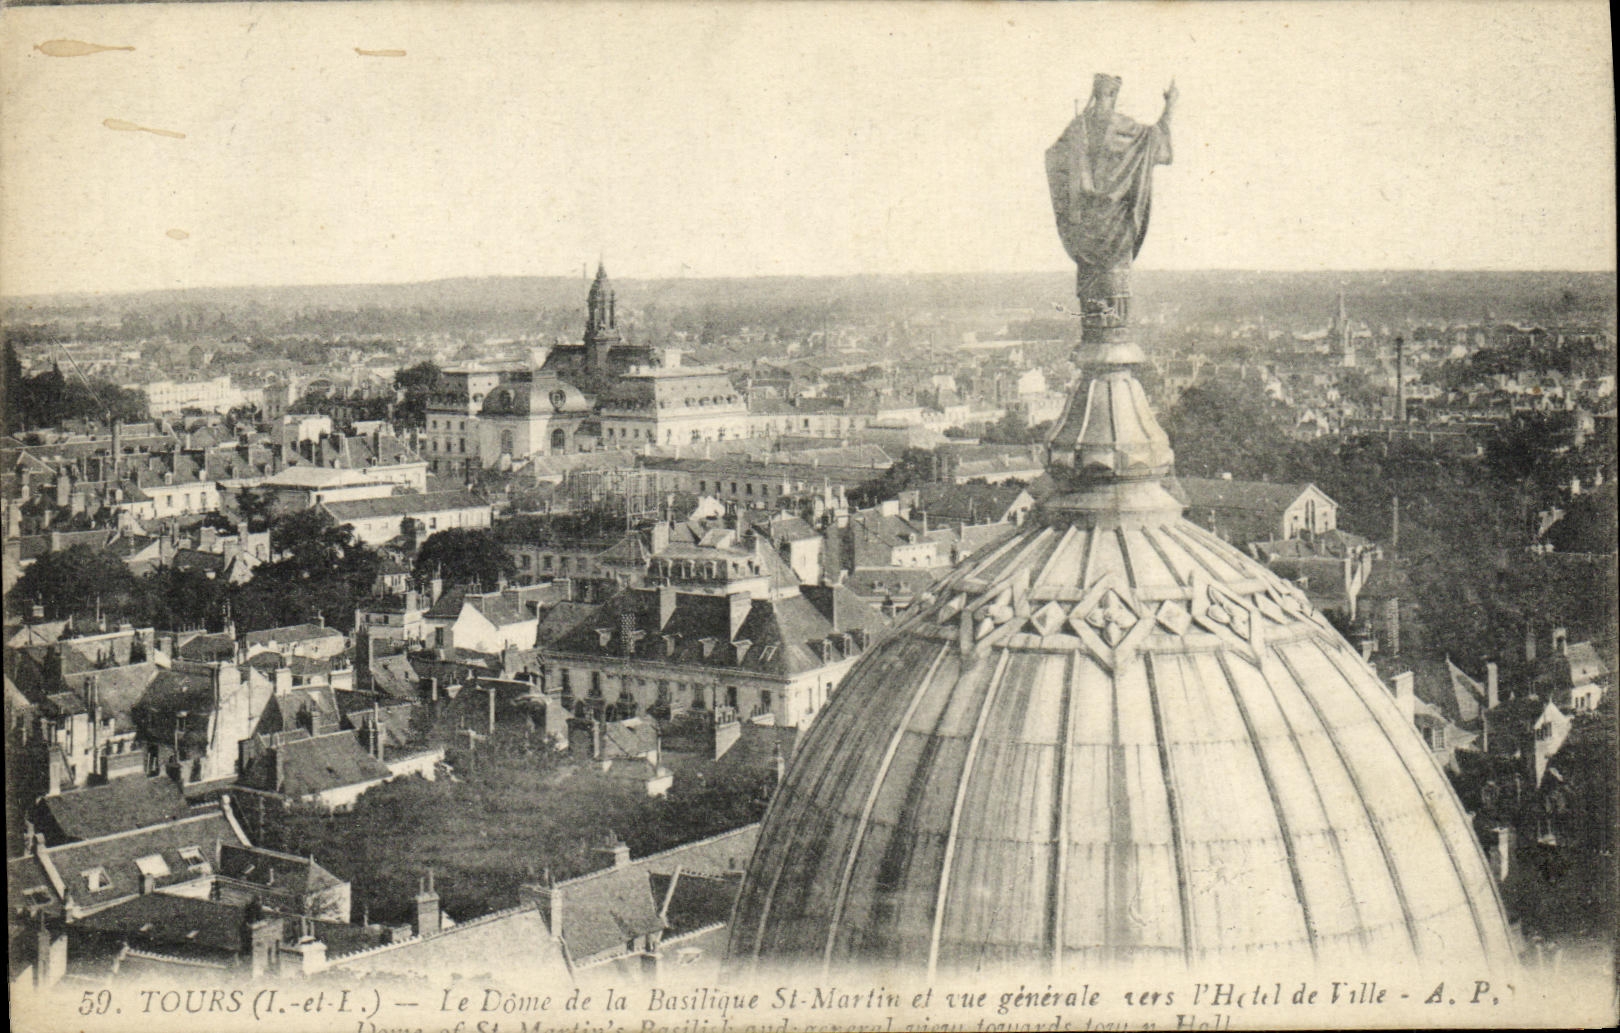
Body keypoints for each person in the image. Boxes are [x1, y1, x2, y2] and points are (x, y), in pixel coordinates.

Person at [1045, 74, 1177, 299]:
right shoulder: (1123, 127)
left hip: (1084, 237)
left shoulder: (1077, 127)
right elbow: (1155, 141)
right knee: (1113, 307)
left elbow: (1053, 157)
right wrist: (1170, 107)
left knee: (1097, 310)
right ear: (1113, 94)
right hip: (1119, 234)